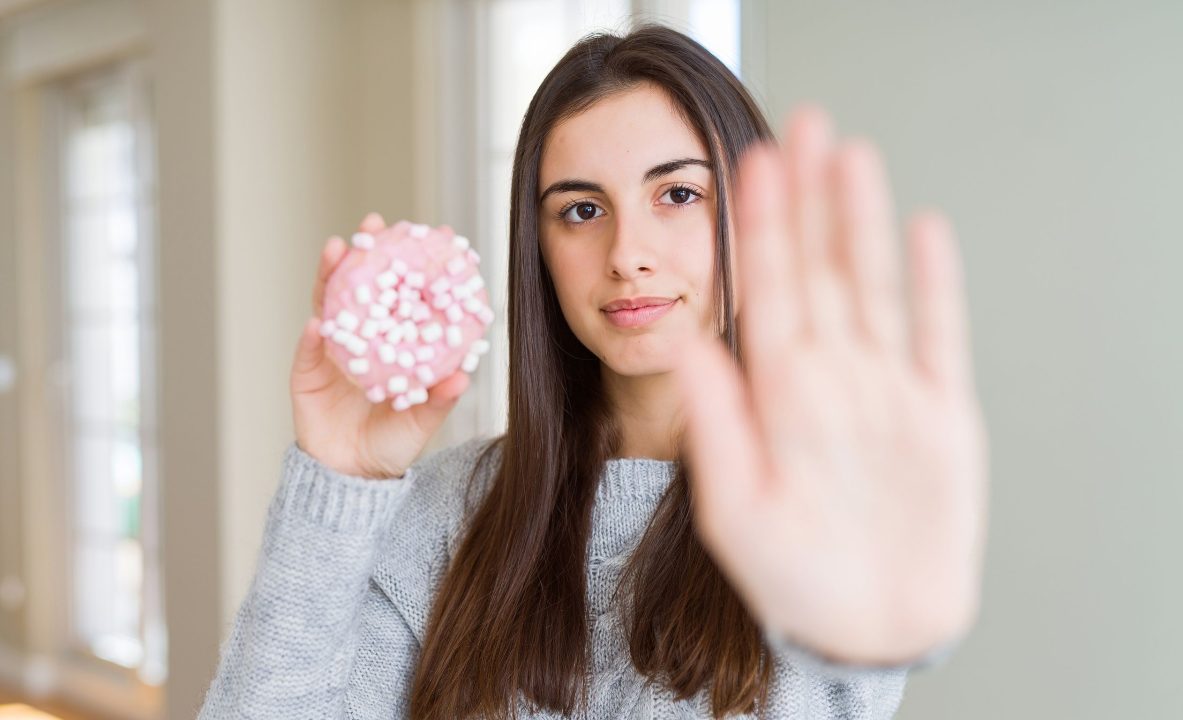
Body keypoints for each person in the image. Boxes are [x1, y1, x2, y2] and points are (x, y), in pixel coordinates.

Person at [198, 22, 987, 720]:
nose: (626, 255)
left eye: (677, 194)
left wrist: (858, 648)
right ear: (538, 248)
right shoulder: (445, 515)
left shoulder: (808, 510)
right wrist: (340, 480)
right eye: (581, 209)